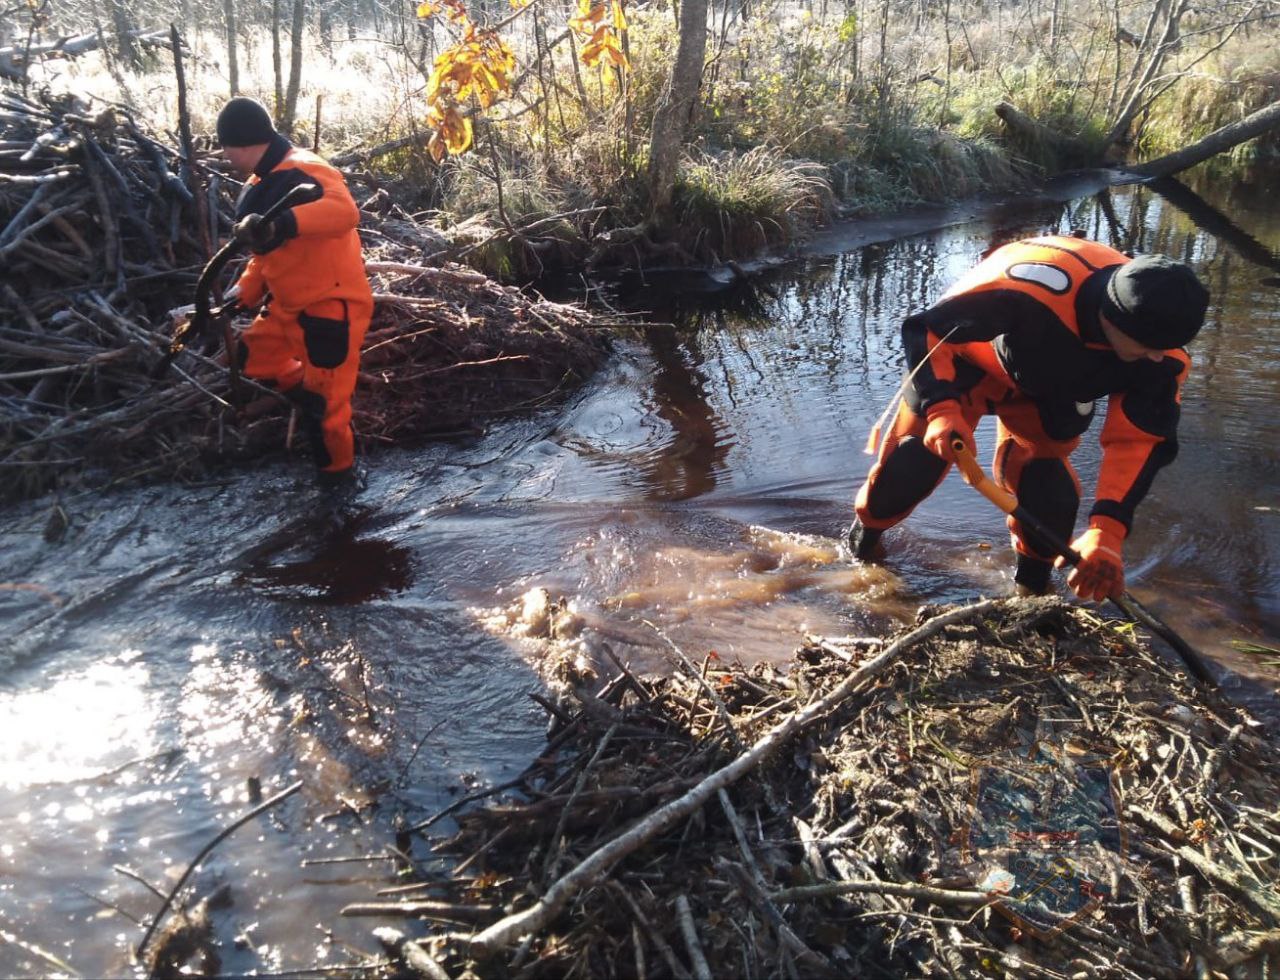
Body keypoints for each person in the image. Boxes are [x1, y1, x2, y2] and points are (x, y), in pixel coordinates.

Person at [848, 233, 1210, 601]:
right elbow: (927, 328)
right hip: (964, 365)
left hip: (1052, 389)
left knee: (1050, 493)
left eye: (1162, 348)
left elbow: (1138, 442)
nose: (1155, 357)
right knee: (911, 465)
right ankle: (862, 549)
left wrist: (1108, 531)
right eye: (1147, 347)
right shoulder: (1027, 290)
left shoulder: (1162, 360)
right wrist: (941, 409)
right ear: (1112, 320)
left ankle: (1031, 594)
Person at [215, 96, 373, 492]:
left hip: (330, 311)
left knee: (326, 414)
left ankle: (341, 489)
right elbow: (265, 257)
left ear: (241, 143)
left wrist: (285, 222)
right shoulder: (259, 184)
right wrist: (241, 296)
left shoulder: (307, 169)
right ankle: (311, 391)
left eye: (225, 147)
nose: (224, 156)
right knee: (249, 360)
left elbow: (345, 212)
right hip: (286, 308)